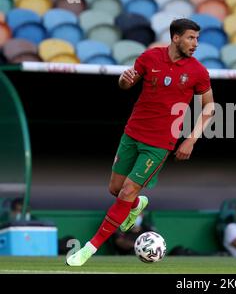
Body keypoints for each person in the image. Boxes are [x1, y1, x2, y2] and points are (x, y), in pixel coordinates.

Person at [66, 18, 215, 266]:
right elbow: (127, 83)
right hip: (133, 133)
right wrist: (123, 80)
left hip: (159, 144)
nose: (195, 43)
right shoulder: (150, 58)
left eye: (197, 39)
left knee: (126, 190)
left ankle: (88, 250)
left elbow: (209, 106)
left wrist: (191, 139)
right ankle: (137, 204)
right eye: (191, 38)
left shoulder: (198, 71)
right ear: (175, 38)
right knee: (115, 189)